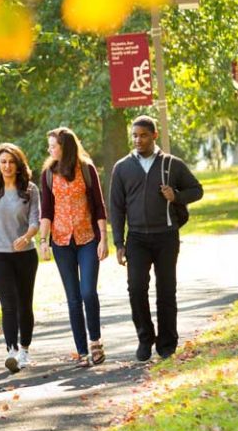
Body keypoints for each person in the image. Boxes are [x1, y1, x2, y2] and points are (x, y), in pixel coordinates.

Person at [109, 115, 203, 362]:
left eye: (143, 135)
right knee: (136, 289)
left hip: (166, 236)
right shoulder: (122, 167)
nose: (138, 140)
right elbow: (116, 208)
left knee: (166, 291)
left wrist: (176, 196)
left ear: (154, 136)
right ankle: (145, 338)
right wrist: (118, 243)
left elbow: (197, 190)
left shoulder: (171, 164)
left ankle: (167, 343)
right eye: (135, 135)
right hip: (137, 238)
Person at [38, 127, 109, 367]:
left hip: (87, 238)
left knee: (88, 292)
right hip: (61, 242)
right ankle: (82, 351)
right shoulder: (48, 174)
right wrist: (43, 241)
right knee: (73, 298)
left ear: (65, 147)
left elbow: (99, 206)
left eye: (53, 145)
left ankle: (96, 341)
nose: (49, 150)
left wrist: (103, 239)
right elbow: (46, 210)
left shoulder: (87, 169)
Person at [0, 143, 40, 374]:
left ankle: (24, 350)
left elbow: (35, 220)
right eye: (3, 162)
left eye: (11, 162)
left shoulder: (30, 190)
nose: (7, 166)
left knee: (24, 303)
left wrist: (26, 237)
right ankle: (11, 351)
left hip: (25, 255)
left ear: (18, 165)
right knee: (8, 303)